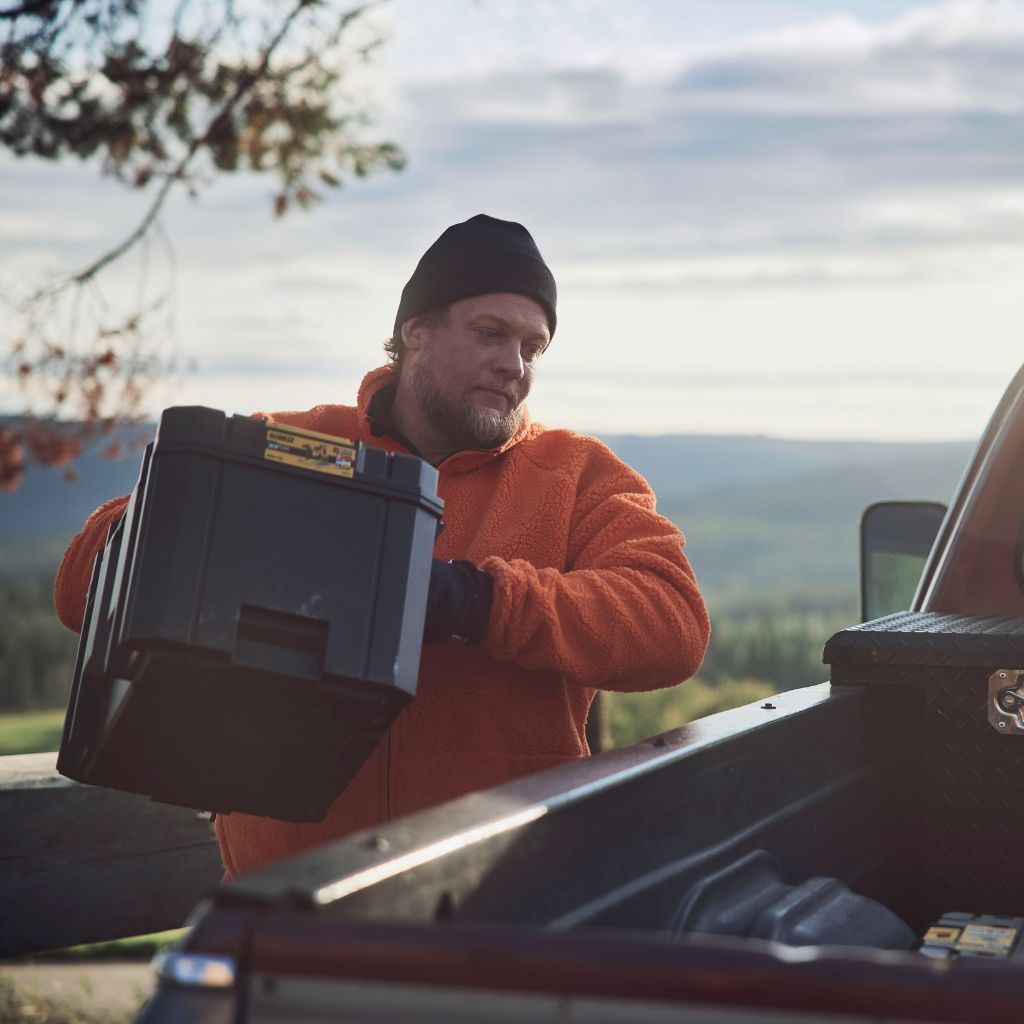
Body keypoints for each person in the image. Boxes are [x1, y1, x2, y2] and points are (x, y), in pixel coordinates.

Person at [54, 214, 711, 879]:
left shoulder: (579, 476)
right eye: (490, 334)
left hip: (499, 891)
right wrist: (247, 549)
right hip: (292, 898)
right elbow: (81, 585)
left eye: (532, 348)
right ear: (415, 331)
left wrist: (478, 600)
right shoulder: (291, 443)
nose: (513, 366)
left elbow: (673, 624)